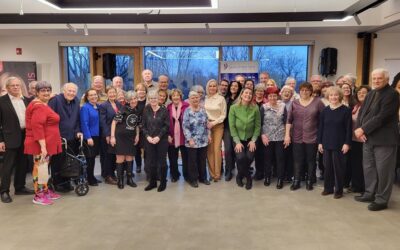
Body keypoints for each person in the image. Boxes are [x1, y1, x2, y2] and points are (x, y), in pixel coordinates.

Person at [354, 68, 399, 211]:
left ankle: (381, 199)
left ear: (386, 79)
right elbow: (361, 112)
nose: (376, 81)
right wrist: (359, 128)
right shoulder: (371, 93)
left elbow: (382, 117)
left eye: (379, 78)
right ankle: (369, 193)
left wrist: (363, 129)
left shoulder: (392, 94)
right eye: (374, 78)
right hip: (368, 138)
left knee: (384, 171)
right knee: (369, 168)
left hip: (385, 140)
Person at [24, 81, 62, 205]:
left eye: (48, 90)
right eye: (43, 91)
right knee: (40, 168)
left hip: (46, 142)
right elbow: (37, 127)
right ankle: (39, 195)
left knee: (44, 168)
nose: (46, 93)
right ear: (37, 92)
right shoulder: (38, 106)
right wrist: (43, 147)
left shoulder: (42, 104)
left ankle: (45, 190)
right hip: (40, 144)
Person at [284, 82, 325, 191]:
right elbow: (289, 120)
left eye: (307, 90)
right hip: (297, 136)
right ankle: (296, 181)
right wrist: (287, 135)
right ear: (299, 91)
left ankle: (309, 181)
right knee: (297, 160)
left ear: (311, 91)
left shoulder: (318, 102)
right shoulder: (294, 103)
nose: (304, 92)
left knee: (311, 160)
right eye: (302, 90)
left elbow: (323, 120)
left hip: (312, 136)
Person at [0, 77, 34, 203]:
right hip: (9, 137)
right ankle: (4, 191)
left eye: (17, 85)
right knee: (7, 167)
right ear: (7, 88)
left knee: (23, 164)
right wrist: (0, 140)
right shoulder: (1, 101)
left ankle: (20, 187)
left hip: (26, 136)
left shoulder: (26, 100)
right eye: (12, 85)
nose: (15, 87)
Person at [318, 86, 352, 199]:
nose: (333, 97)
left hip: (340, 144)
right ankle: (328, 188)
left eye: (336, 95)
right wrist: (320, 143)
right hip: (326, 143)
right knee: (327, 167)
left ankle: (338, 190)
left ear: (340, 96)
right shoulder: (325, 111)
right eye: (331, 95)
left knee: (339, 168)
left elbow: (348, 129)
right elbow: (321, 128)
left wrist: (347, 143)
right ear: (328, 97)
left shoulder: (346, 111)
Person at [48, 82, 82, 192]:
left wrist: (78, 131)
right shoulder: (55, 100)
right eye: (69, 91)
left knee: (69, 161)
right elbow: (49, 119)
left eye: (74, 91)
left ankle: (66, 181)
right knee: (57, 161)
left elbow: (77, 119)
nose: (71, 93)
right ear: (64, 91)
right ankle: (57, 183)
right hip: (58, 138)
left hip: (72, 137)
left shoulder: (76, 101)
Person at [229, 88, 261, 190]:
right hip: (237, 138)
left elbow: (257, 126)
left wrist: (253, 140)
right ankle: (248, 177)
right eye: (246, 93)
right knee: (240, 157)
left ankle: (239, 175)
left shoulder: (255, 108)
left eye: (250, 93)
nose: (248, 95)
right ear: (241, 95)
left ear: (252, 96)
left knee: (250, 157)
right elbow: (232, 126)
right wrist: (237, 142)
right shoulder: (233, 108)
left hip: (251, 138)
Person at [110, 91, 140, 189]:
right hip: (120, 138)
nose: (134, 101)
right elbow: (114, 122)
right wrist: (112, 137)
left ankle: (130, 179)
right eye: (131, 99)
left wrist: (137, 135)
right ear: (127, 100)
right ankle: (120, 180)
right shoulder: (123, 109)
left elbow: (137, 125)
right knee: (120, 159)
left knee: (130, 158)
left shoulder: (137, 110)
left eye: (135, 98)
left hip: (131, 138)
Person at [142, 90, 170, 192]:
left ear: (158, 99)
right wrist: (148, 136)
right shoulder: (146, 109)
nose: (153, 100)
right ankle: (152, 182)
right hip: (149, 140)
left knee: (162, 162)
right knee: (151, 162)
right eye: (151, 98)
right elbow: (143, 125)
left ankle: (163, 182)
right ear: (148, 100)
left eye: (155, 98)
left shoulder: (164, 110)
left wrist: (158, 137)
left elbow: (166, 126)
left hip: (161, 140)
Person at [183, 91, 211, 187]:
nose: (195, 99)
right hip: (192, 141)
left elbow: (207, 124)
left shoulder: (203, 110)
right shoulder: (187, 111)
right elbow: (185, 127)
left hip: (203, 140)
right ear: (189, 100)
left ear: (199, 98)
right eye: (193, 98)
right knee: (192, 161)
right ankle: (193, 179)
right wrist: (189, 139)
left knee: (202, 160)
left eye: (197, 97)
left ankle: (203, 178)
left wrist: (209, 135)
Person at [261, 87, 287, 189]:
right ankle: (267, 177)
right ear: (267, 97)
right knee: (267, 158)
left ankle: (280, 179)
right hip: (267, 137)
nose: (272, 98)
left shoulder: (283, 106)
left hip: (280, 136)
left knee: (280, 159)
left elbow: (286, 121)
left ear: (278, 96)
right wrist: (262, 135)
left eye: (274, 96)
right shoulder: (263, 107)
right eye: (270, 96)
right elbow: (260, 123)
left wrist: (286, 135)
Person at [349, 85, 371, 193]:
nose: (361, 94)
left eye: (364, 92)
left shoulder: (371, 107)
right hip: (354, 140)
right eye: (359, 93)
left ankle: (364, 188)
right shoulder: (356, 106)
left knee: (365, 165)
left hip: (365, 140)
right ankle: (356, 186)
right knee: (356, 164)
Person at [99, 86, 122, 185]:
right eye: (110, 93)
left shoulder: (118, 104)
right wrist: (107, 135)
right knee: (107, 156)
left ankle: (112, 174)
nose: (112, 94)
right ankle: (107, 176)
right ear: (107, 94)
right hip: (107, 134)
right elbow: (103, 122)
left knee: (114, 155)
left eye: (114, 92)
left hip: (117, 134)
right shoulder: (103, 105)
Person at [205, 79, 227, 182]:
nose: (212, 88)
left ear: (217, 87)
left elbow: (223, 115)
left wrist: (213, 123)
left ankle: (217, 174)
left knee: (216, 149)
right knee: (209, 150)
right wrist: (207, 123)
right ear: (208, 87)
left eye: (214, 86)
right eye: (210, 86)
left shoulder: (221, 99)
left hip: (218, 125)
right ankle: (212, 173)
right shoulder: (205, 99)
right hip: (206, 126)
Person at [167, 89, 189, 183]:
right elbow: (166, 122)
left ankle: (187, 175)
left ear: (181, 96)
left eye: (177, 95)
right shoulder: (168, 107)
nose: (176, 97)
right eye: (173, 95)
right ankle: (174, 175)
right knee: (172, 158)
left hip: (184, 136)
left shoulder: (186, 106)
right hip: (172, 137)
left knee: (186, 158)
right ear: (171, 97)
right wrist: (168, 135)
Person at [80, 88, 101, 186]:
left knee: (93, 158)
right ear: (87, 97)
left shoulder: (98, 106)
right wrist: (88, 137)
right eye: (91, 95)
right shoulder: (85, 107)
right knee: (90, 158)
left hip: (97, 136)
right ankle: (89, 179)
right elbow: (84, 123)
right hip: (90, 137)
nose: (93, 97)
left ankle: (92, 176)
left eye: (95, 94)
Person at [223, 80, 242, 181]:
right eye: (232, 85)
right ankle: (228, 171)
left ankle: (241, 171)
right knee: (228, 150)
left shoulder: (241, 99)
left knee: (238, 151)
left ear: (239, 88)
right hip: (227, 128)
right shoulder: (225, 99)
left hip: (238, 129)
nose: (234, 87)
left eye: (236, 86)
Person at [253, 84, 267, 181]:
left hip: (264, 131)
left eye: (262, 91)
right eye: (258, 90)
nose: (259, 92)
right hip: (253, 131)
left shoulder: (267, 102)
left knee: (263, 153)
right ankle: (258, 171)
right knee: (256, 153)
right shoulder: (251, 101)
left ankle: (263, 172)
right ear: (255, 91)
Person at [134, 83, 147, 174]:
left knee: (147, 148)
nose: (141, 92)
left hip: (146, 129)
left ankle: (147, 165)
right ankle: (138, 165)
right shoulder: (134, 102)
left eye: (143, 90)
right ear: (136, 92)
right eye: (139, 90)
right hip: (135, 129)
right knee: (136, 148)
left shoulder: (149, 101)